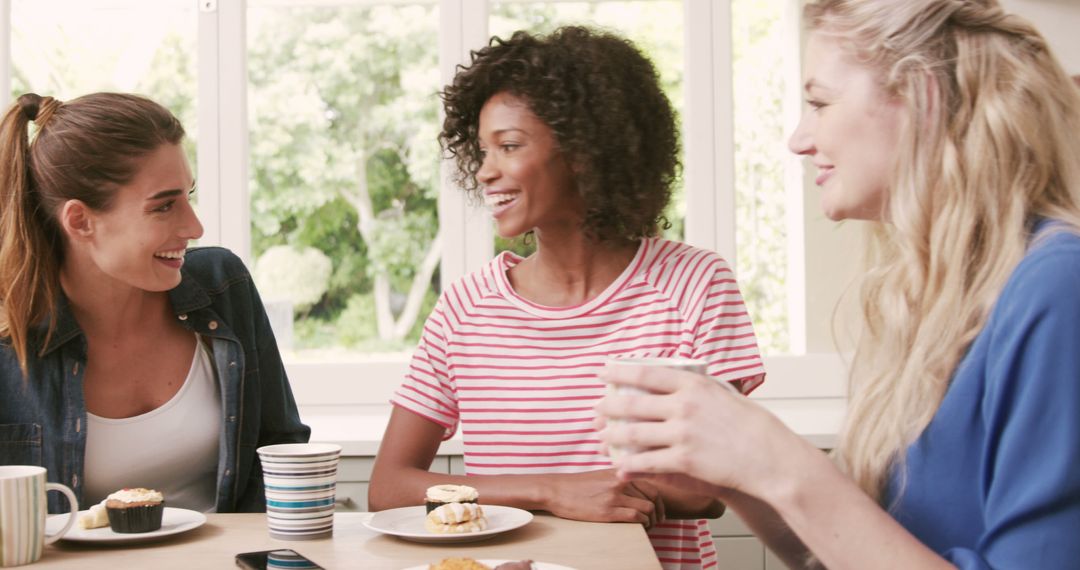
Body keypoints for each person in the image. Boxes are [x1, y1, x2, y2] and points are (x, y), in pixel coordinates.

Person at [597, 0, 1080, 568]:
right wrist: (732, 469)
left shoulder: (1057, 288)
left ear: (923, 97)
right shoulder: (937, 299)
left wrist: (774, 459)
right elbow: (852, 553)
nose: (798, 140)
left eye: (819, 103)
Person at [367, 26, 766, 570]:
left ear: (584, 152)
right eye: (482, 150)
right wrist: (551, 491)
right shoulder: (465, 307)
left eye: (509, 146)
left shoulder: (693, 285)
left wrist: (570, 493)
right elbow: (390, 488)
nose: (485, 171)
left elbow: (707, 492)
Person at [0, 92, 310, 513]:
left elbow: (279, 452)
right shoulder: (9, 336)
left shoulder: (223, 286)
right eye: (164, 206)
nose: (195, 226)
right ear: (80, 220)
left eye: (188, 195)